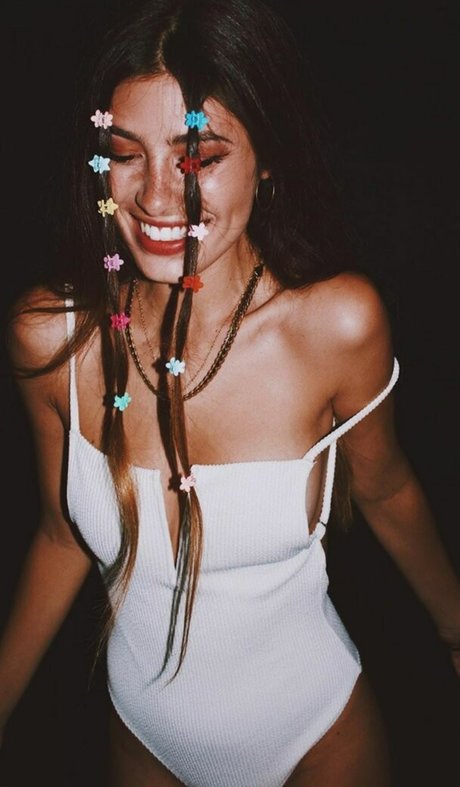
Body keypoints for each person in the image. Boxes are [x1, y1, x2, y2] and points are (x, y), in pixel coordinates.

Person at [1, 0, 459, 784]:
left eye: (198, 157)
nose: (154, 197)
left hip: (317, 736)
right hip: (143, 741)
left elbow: (387, 490)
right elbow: (61, 533)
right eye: (124, 154)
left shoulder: (335, 327)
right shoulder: (51, 340)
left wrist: (455, 624)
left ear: (266, 159)